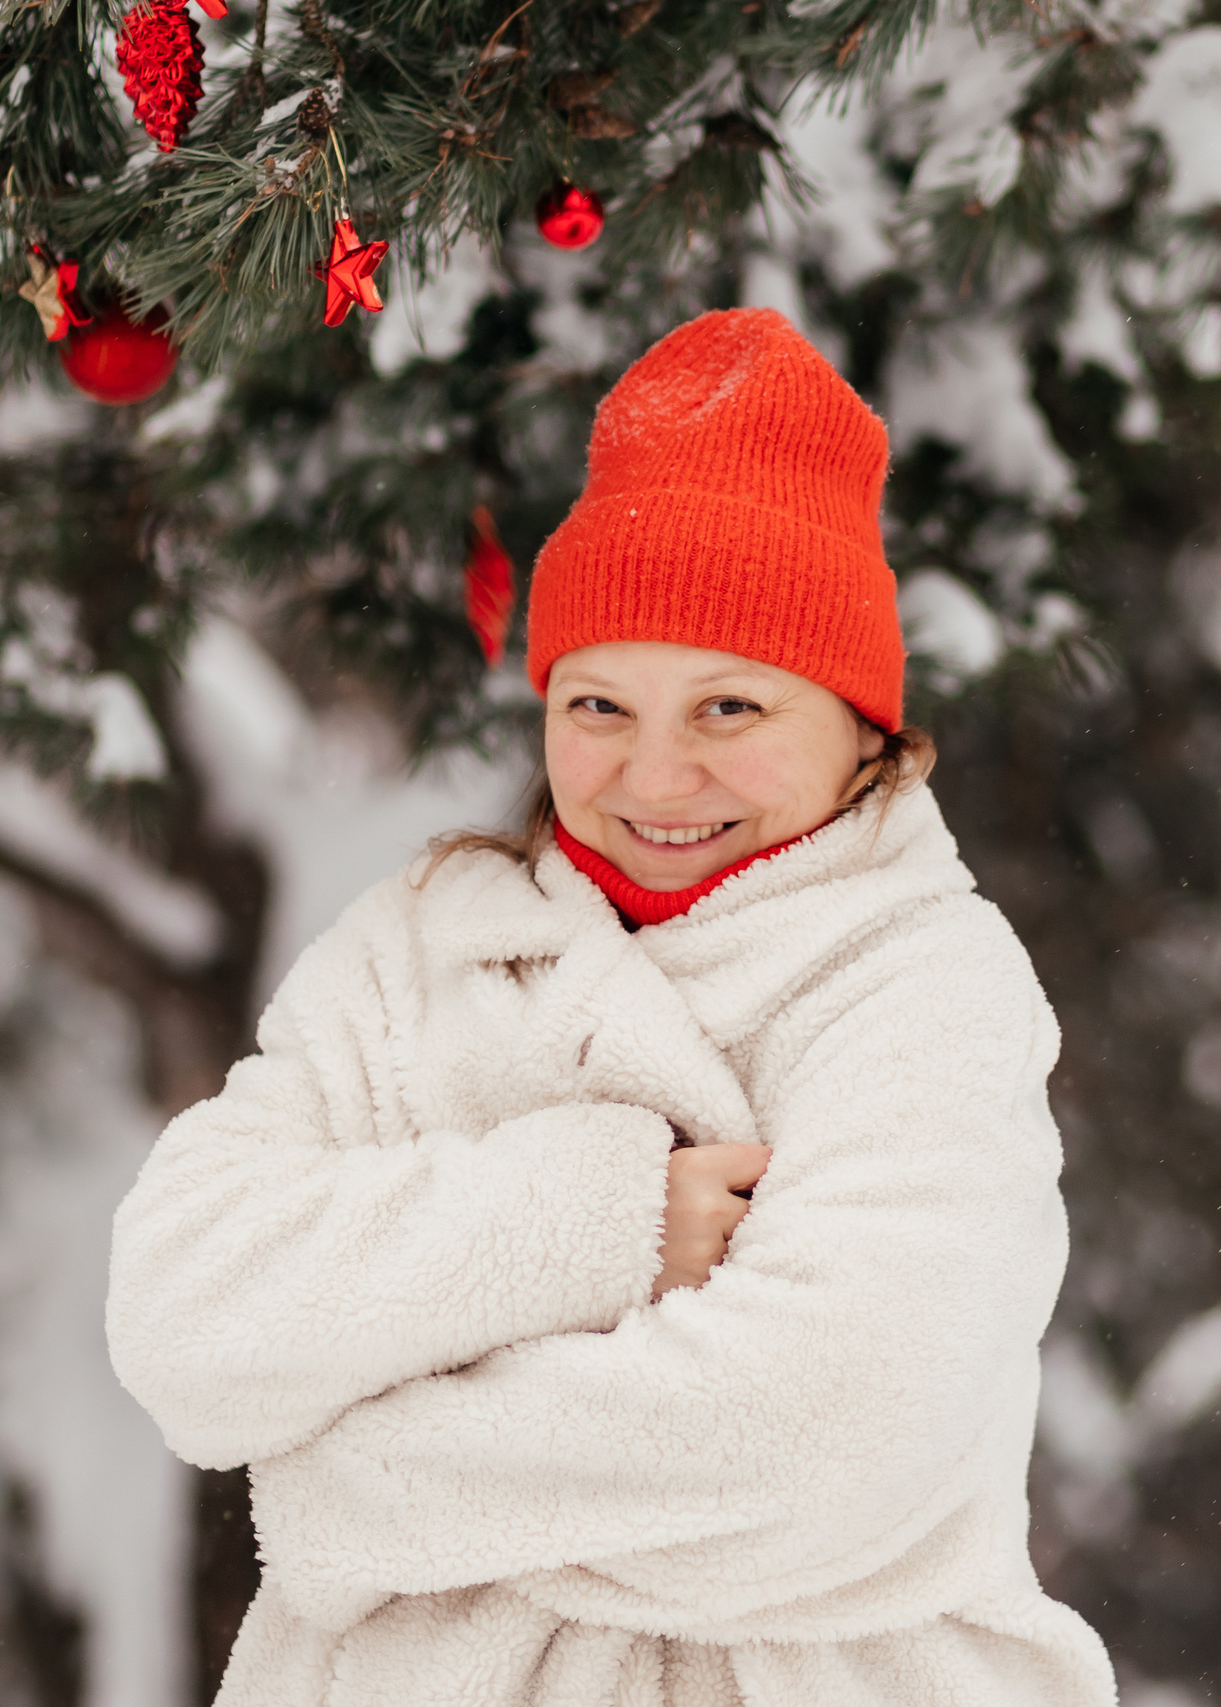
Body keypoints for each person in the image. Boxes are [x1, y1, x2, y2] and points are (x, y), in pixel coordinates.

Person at [106, 308, 1115, 1705]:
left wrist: (352, 1484)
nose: (654, 778)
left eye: (729, 709)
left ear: (860, 722)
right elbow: (185, 1317)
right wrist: (596, 1218)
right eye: (598, 707)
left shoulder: (923, 982)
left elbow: (820, 1437)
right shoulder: (426, 946)